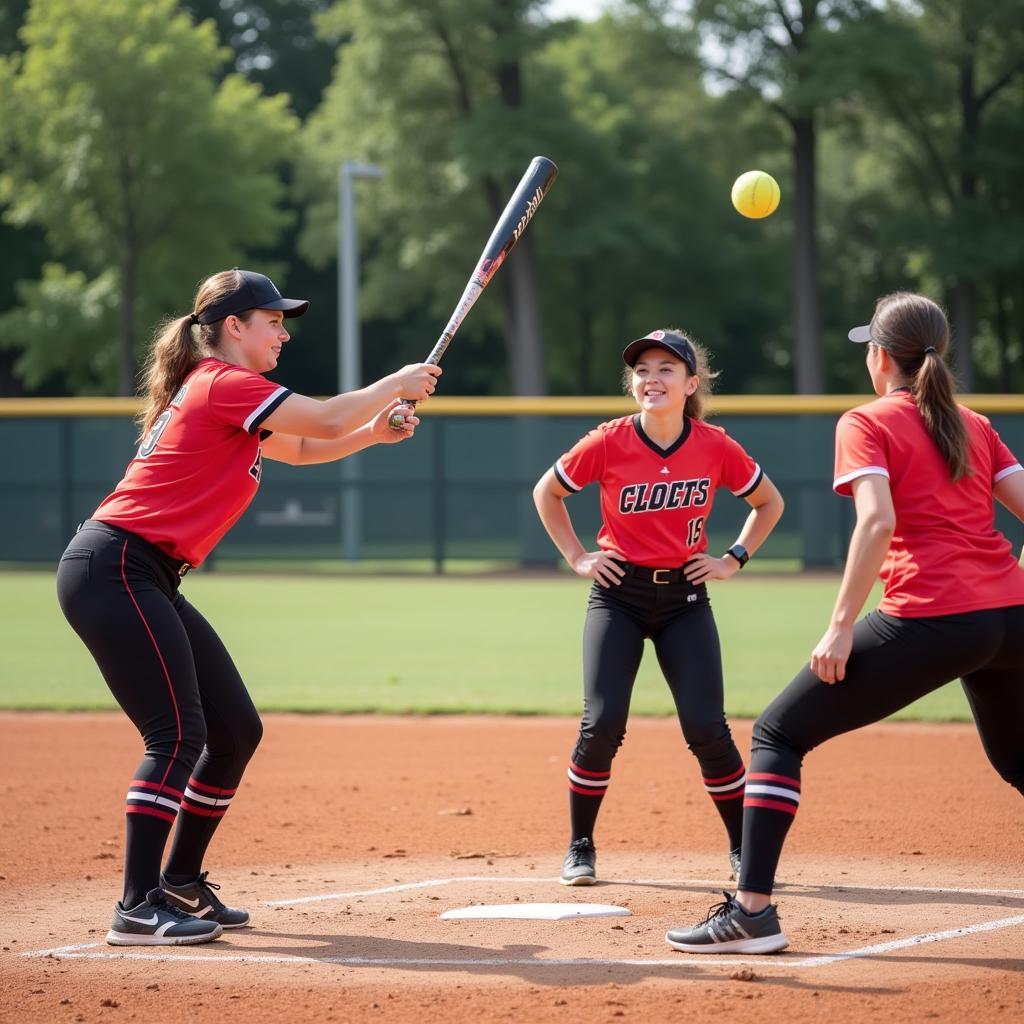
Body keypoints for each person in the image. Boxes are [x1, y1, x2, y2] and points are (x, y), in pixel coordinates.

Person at [56, 269, 440, 946]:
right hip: (116, 566)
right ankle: (136, 905)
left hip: (144, 573)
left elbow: (300, 445)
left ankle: (179, 880)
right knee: (175, 736)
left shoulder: (225, 392)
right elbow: (320, 417)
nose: (283, 333)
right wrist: (394, 383)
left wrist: (373, 433)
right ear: (234, 326)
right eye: (273, 321)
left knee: (235, 729)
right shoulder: (222, 383)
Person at [665, 292, 1024, 955]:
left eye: (869, 347)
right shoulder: (973, 422)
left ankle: (752, 912)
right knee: (1018, 760)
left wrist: (839, 625)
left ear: (881, 357)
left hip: (936, 616)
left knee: (778, 732)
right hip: (1010, 616)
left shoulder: (867, 420)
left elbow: (878, 521)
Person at [533, 328, 784, 886]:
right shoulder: (608, 441)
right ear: (631, 384)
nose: (652, 378)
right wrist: (577, 556)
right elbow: (546, 492)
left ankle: (744, 849)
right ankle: (580, 845)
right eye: (642, 370)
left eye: (667, 369)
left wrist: (733, 558)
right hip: (617, 595)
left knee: (706, 727)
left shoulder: (716, 445)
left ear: (691, 384)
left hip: (685, 600)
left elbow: (769, 502)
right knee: (601, 723)